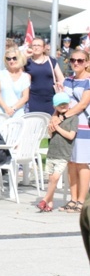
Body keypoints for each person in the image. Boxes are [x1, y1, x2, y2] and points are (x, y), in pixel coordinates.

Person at [53, 49, 90, 214]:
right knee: (71, 162)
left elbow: (82, 104)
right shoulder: (67, 81)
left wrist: (63, 117)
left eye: (80, 60)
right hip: (67, 125)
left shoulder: (88, 82)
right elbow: (61, 102)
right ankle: (73, 199)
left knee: (82, 162)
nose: (76, 63)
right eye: (73, 60)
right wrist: (55, 116)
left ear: (87, 63)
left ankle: (82, 201)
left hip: (82, 125)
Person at [37, 92, 78, 212]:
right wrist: (51, 129)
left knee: (55, 178)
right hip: (52, 153)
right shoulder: (54, 118)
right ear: (55, 107)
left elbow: (71, 136)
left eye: (65, 104)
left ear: (69, 104)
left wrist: (58, 127)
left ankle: (44, 199)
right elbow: (50, 135)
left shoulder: (73, 118)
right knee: (51, 180)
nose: (63, 107)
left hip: (63, 154)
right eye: (60, 105)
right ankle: (50, 203)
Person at [24, 37, 65, 114]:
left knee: (50, 124)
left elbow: (61, 79)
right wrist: (25, 56)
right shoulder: (27, 62)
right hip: (33, 99)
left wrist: (61, 87)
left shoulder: (51, 61)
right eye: (34, 45)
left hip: (51, 99)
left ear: (44, 48)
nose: (36, 47)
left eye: (39, 45)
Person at [0, 47, 30, 118]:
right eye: (8, 59)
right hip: (0, 112)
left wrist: (13, 109)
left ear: (20, 59)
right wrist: (6, 108)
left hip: (18, 113)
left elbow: (25, 97)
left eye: (14, 58)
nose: (11, 61)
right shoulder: (0, 74)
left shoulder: (25, 77)